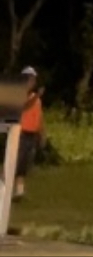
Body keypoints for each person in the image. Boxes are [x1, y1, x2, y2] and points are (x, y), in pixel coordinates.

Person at [15, 67, 43, 199]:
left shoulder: (36, 99)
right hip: (21, 132)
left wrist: (41, 132)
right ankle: (5, 184)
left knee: (25, 163)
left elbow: (39, 116)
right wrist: (37, 96)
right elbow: (24, 106)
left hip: (32, 133)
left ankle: (20, 190)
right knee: (16, 161)